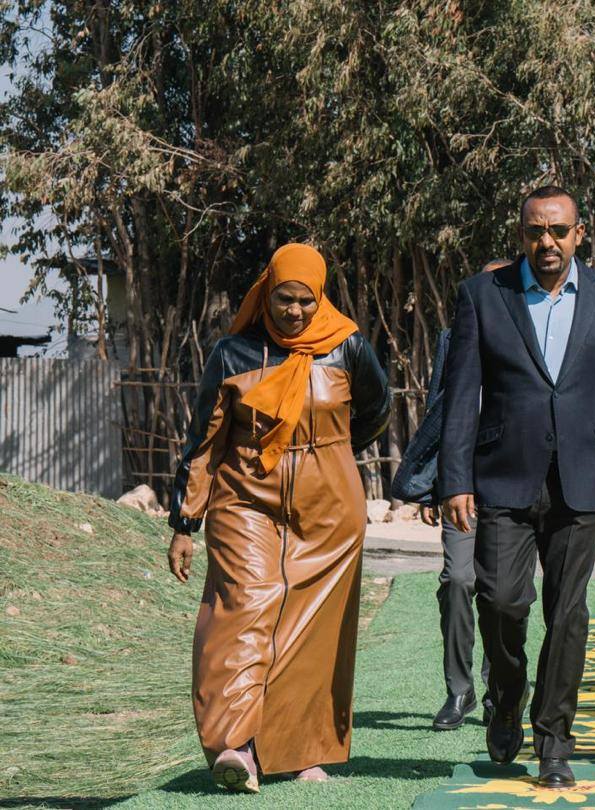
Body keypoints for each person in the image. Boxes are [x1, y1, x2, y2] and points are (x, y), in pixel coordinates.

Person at [439, 185, 595, 789]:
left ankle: (554, 741)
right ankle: (507, 695)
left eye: (559, 230)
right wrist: (455, 479)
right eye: (536, 231)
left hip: (580, 479)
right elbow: (461, 393)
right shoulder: (483, 294)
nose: (548, 242)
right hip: (502, 475)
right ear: (522, 234)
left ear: (579, 235)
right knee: (500, 601)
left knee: (568, 614)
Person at [166, 244, 390, 793]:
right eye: (284, 299)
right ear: (266, 294)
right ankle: (235, 746)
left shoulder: (347, 346)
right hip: (245, 495)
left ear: (321, 297)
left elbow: (376, 409)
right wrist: (184, 522)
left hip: (329, 505)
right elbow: (204, 440)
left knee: (312, 625)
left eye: (305, 301)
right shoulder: (233, 353)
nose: (294, 311)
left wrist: (330, 454)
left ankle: (299, 750)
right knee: (245, 606)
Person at [390, 258, 511, 732]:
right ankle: (458, 689)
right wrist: (432, 487)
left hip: (511, 485)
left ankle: (498, 689)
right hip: (460, 486)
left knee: (501, 593)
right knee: (458, 580)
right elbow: (439, 413)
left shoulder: (533, 340)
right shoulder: (451, 339)